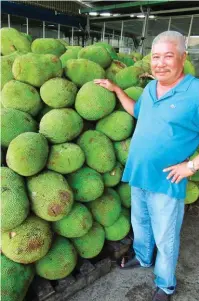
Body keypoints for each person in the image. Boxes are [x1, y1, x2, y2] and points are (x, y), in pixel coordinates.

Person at [94, 31, 199, 301]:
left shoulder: (195, 92)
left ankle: (165, 285)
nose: (160, 63)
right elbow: (138, 112)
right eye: (155, 57)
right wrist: (117, 90)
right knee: (140, 223)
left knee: (166, 237)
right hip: (139, 172)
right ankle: (142, 258)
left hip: (167, 180)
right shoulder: (151, 88)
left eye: (168, 56)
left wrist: (192, 165)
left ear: (183, 57)